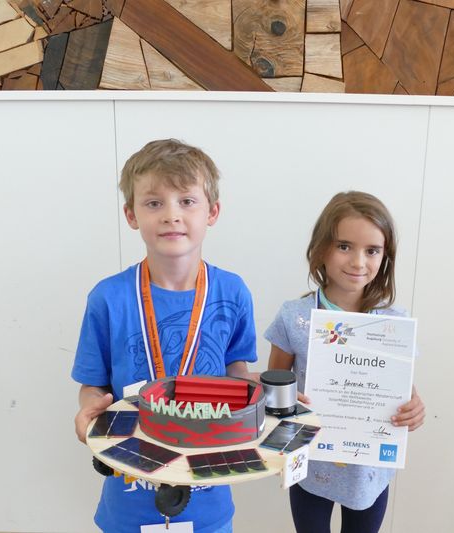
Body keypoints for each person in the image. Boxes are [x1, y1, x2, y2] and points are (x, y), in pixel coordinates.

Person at [72, 139, 257, 533]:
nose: (172, 215)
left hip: (210, 499)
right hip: (127, 500)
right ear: (131, 214)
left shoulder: (233, 292)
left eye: (187, 201)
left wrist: (271, 396)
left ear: (213, 211)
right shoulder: (108, 298)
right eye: (154, 203)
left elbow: (236, 375)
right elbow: (93, 385)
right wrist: (89, 410)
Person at [264, 191, 426, 533]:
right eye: (344, 246)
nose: (358, 262)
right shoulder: (294, 317)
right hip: (309, 464)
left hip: (369, 472)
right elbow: (272, 390)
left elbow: (405, 394)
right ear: (321, 248)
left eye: (372, 250)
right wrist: (285, 405)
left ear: (386, 256)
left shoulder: (394, 324)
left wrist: (414, 409)